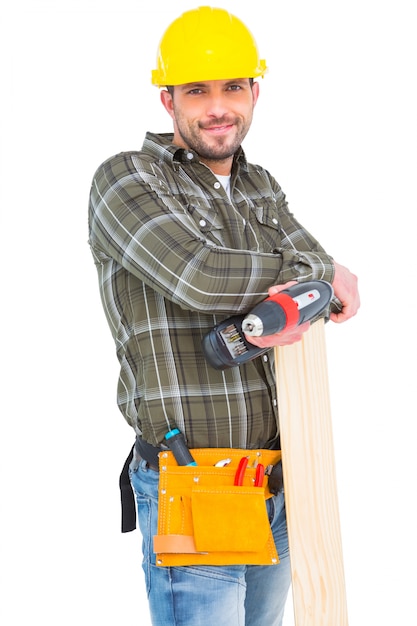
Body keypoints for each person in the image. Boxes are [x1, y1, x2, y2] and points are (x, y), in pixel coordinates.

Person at [88, 6, 360, 626]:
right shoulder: (127, 179)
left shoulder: (260, 184)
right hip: (194, 479)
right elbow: (200, 275)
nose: (217, 107)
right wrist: (306, 277)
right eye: (196, 91)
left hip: (280, 482)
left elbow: (319, 274)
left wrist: (312, 276)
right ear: (167, 100)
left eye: (232, 87)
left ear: (255, 91)